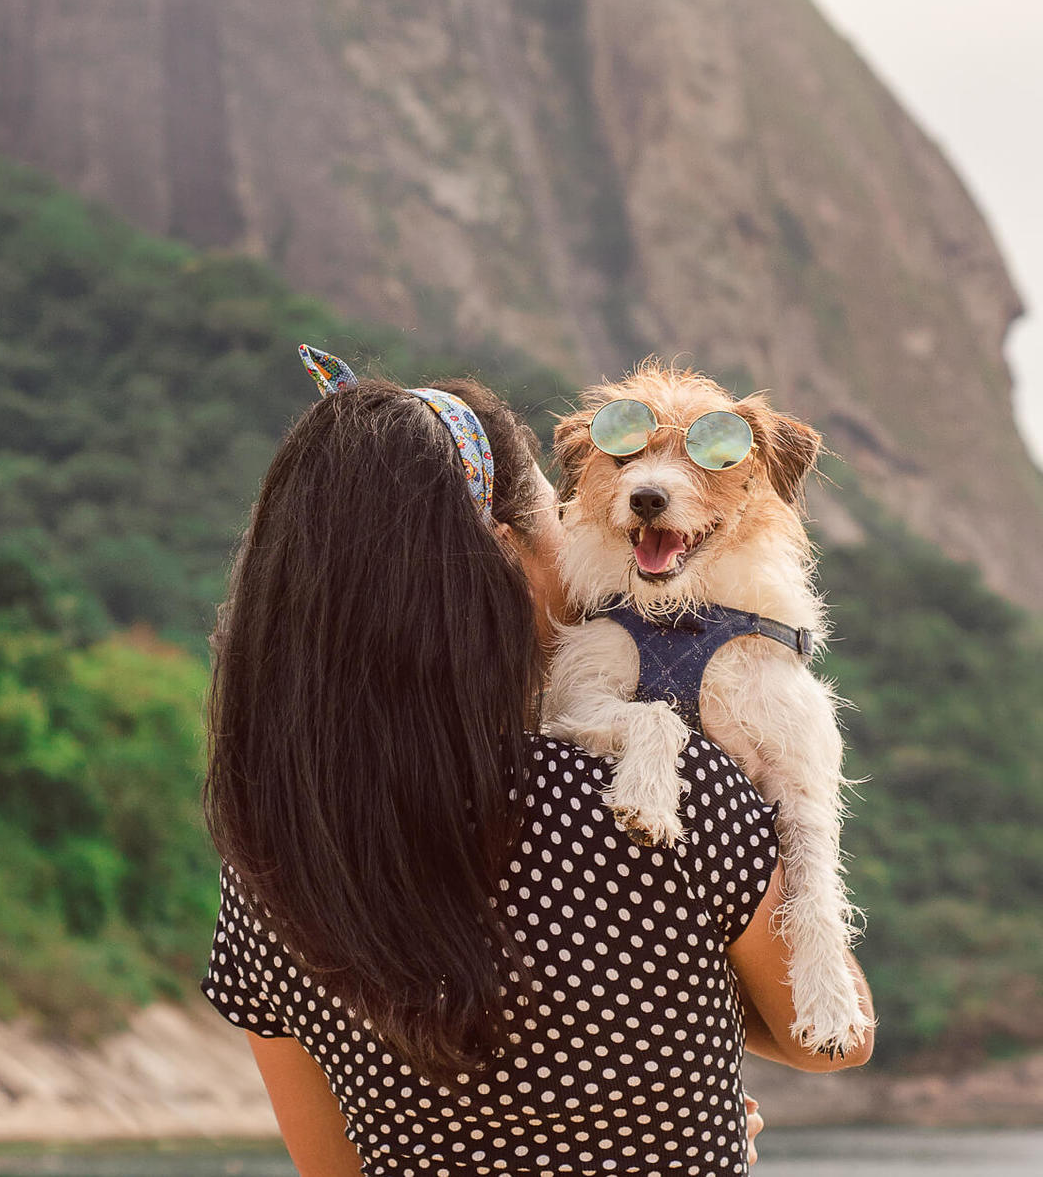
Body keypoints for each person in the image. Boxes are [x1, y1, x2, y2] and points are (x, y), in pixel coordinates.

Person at [201, 355, 873, 1175]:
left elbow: (330, 1166)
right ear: (507, 559)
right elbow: (832, 1034)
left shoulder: (271, 860)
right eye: (560, 517)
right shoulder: (664, 794)